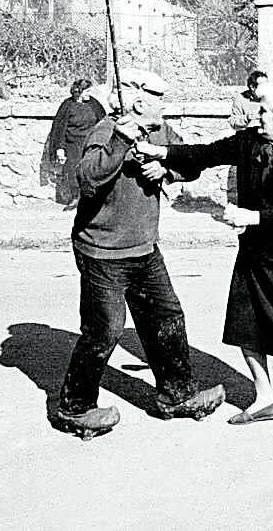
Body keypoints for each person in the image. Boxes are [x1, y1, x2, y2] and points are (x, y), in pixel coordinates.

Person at [138, 81, 273, 442]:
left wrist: (251, 217)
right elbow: (204, 154)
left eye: (266, 110)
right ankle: (266, 398)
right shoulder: (251, 141)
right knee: (248, 326)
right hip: (255, 253)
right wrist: (158, 152)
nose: (259, 114)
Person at [51, 68, 225, 439]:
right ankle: (74, 408)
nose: (164, 104)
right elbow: (87, 179)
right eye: (158, 98)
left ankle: (176, 397)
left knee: (166, 317)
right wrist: (119, 142)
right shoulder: (105, 131)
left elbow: (189, 161)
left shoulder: (160, 131)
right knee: (105, 330)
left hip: (144, 247)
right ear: (139, 101)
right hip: (102, 252)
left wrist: (166, 171)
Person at [47, 78, 105, 209]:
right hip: (73, 145)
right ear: (79, 91)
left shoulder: (94, 104)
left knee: (92, 171)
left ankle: (92, 199)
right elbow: (59, 128)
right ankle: (75, 198)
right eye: (87, 91)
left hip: (91, 144)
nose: (90, 93)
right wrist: (59, 148)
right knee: (73, 172)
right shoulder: (67, 105)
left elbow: (103, 123)